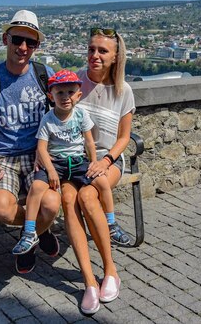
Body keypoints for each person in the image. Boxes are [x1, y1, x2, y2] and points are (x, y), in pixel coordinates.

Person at [0, 9, 60, 274]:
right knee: (1, 209)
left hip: (37, 154)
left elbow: (63, 110)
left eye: (30, 43)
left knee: (52, 204)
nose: (23, 47)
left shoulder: (44, 74)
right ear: (5, 39)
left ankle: (27, 238)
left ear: (37, 46)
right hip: (3, 157)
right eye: (17, 40)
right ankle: (37, 232)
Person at [61, 28, 135, 314]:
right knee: (69, 200)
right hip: (73, 162)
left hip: (108, 161)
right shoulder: (74, 81)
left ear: (116, 56)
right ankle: (89, 281)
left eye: (102, 51)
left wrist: (105, 162)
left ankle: (110, 271)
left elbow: (124, 137)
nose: (95, 56)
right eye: (91, 49)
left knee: (88, 199)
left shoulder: (123, 90)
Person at [12, 70, 123, 259]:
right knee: (37, 187)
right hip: (56, 163)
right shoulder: (48, 119)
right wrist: (51, 170)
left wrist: (94, 161)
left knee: (102, 182)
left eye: (70, 92)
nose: (65, 97)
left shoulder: (80, 115)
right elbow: (42, 148)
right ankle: (30, 232)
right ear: (51, 96)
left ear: (78, 95)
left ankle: (111, 223)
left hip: (79, 161)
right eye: (60, 93)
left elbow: (88, 141)